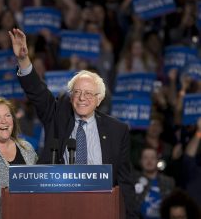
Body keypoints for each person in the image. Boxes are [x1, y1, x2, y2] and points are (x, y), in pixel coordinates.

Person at [9, 28, 139, 218]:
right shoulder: (58, 117)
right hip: (58, 206)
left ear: (99, 99)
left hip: (100, 208)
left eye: (88, 94)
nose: (81, 98)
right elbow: (37, 93)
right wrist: (23, 60)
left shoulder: (117, 130)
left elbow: (125, 182)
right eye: (77, 92)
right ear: (70, 97)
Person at [134, 147, 175, 219]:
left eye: (152, 158)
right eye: (145, 158)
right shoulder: (133, 181)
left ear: (158, 161)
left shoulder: (169, 182)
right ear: (140, 161)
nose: (149, 161)